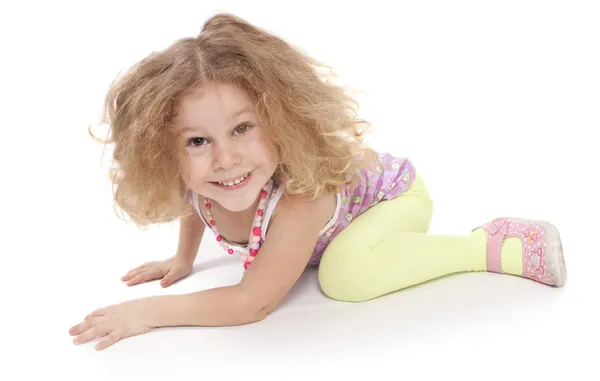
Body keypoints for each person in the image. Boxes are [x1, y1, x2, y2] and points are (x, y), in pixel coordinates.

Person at [69, 12, 567, 350]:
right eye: (197, 141)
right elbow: (191, 204)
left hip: (392, 199)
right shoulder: (203, 180)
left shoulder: (300, 196)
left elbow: (251, 302)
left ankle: (491, 245)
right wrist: (183, 258)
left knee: (344, 277)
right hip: (332, 218)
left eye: (243, 128)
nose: (224, 159)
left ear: (279, 118)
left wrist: (148, 313)